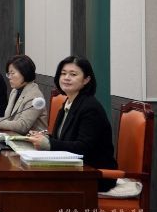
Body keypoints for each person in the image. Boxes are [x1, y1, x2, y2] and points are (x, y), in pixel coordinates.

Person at [27, 56, 117, 191]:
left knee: (32, 184)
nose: (66, 78)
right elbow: (62, 140)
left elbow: (83, 147)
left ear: (86, 80)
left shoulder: (90, 108)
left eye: (73, 74)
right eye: (63, 73)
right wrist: (43, 138)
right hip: (73, 169)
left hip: (93, 174)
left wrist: (49, 143)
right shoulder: (68, 102)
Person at [0, 55, 47, 135]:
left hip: (31, 140)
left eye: (12, 73)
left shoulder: (34, 96)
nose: (9, 77)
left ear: (25, 73)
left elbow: (23, 126)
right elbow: (8, 119)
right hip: (13, 136)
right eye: (8, 74)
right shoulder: (15, 91)